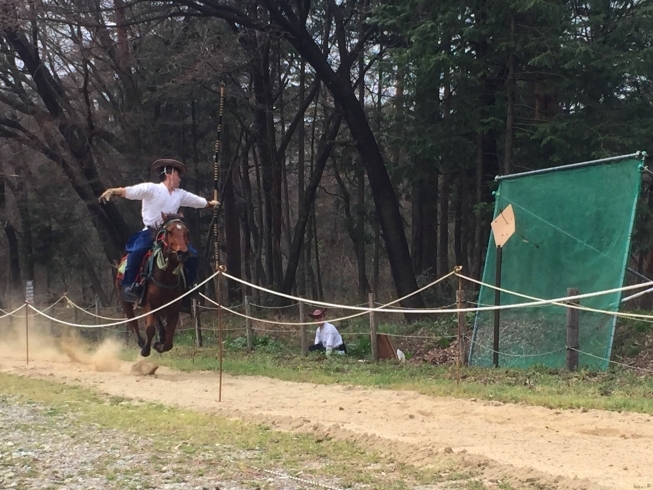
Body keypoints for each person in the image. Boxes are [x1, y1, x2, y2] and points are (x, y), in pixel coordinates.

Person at [98, 158, 218, 303]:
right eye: (177, 175)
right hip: (151, 231)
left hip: (171, 233)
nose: (179, 179)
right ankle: (129, 285)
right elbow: (130, 191)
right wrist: (112, 191)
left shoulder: (180, 194)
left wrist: (210, 204)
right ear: (170, 174)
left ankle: (188, 287)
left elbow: (196, 201)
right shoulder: (151, 189)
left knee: (192, 254)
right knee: (138, 251)